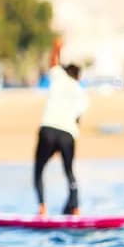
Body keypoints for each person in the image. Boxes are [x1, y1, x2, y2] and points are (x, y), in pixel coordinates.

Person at [33, 37, 88, 216]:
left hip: (48, 129)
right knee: (69, 171)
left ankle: (42, 208)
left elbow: (53, 62)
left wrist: (56, 47)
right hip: (68, 134)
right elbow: (78, 120)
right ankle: (76, 208)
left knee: (39, 169)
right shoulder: (81, 93)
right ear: (78, 76)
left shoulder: (59, 78)